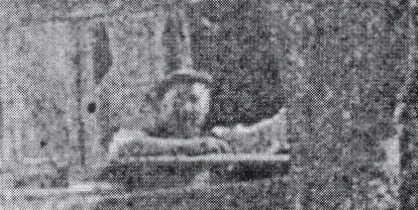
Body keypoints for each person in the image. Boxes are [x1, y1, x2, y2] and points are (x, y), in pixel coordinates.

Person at [107, 67, 289, 161]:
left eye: (194, 100)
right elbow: (125, 146)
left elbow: (263, 136)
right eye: (177, 99)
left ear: (206, 107)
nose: (185, 108)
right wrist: (195, 147)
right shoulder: (139, 136)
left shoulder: (217, 138)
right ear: (159, 104)